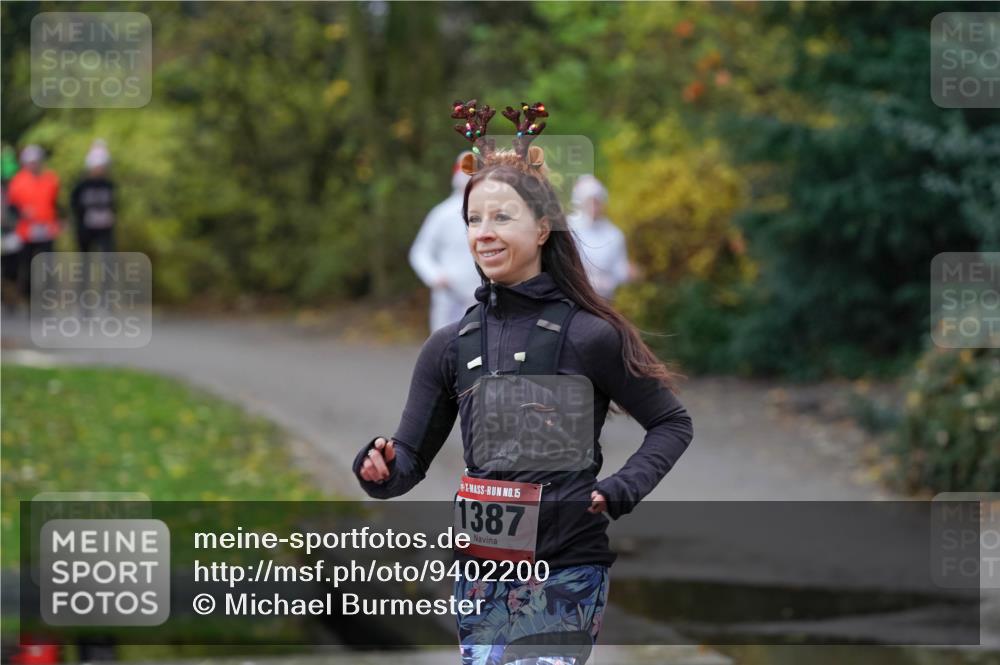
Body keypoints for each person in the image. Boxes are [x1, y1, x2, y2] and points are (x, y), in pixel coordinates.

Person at [353, 100, 693, 665]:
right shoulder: (448, 346)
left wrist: (623, 486)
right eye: (473, 220)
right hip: (480, 573)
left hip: (565, 568)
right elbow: (409, 457)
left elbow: (671, 423)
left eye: (501, 217)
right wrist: (381, 466)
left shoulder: (590, 336)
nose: (482, 234)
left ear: (542, 228)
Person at [409, 152, 483, 331]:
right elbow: (419, 251)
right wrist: (435, 276)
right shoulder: (441, 213)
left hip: (482, 295)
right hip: (450, 297)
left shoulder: (491, 211)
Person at [7, 145, 61, 298]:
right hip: (26, 231)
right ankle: (30, 296)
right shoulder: (17, 181)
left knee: (48, 265)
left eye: (36, 161)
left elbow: (55, 203)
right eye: (31, 162)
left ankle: (47, 296)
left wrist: (59, 220)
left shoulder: (51, 179)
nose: (34, 165)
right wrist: (22, 213)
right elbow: (12, 207)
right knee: (28, 265)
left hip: (47, 230)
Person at [566, 175, 630, 300]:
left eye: (597, 201)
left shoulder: (614, 234)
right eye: (589, 201)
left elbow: (619, 270)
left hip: (604, 301)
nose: (594, 207)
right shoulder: (567, 229)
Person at [71, 139, 117, 253]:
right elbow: (74, 205)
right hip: (86, 229)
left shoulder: (108, 185)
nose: (100, 170)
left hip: (105, 228)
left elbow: (114, 204)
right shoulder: (82, 186)